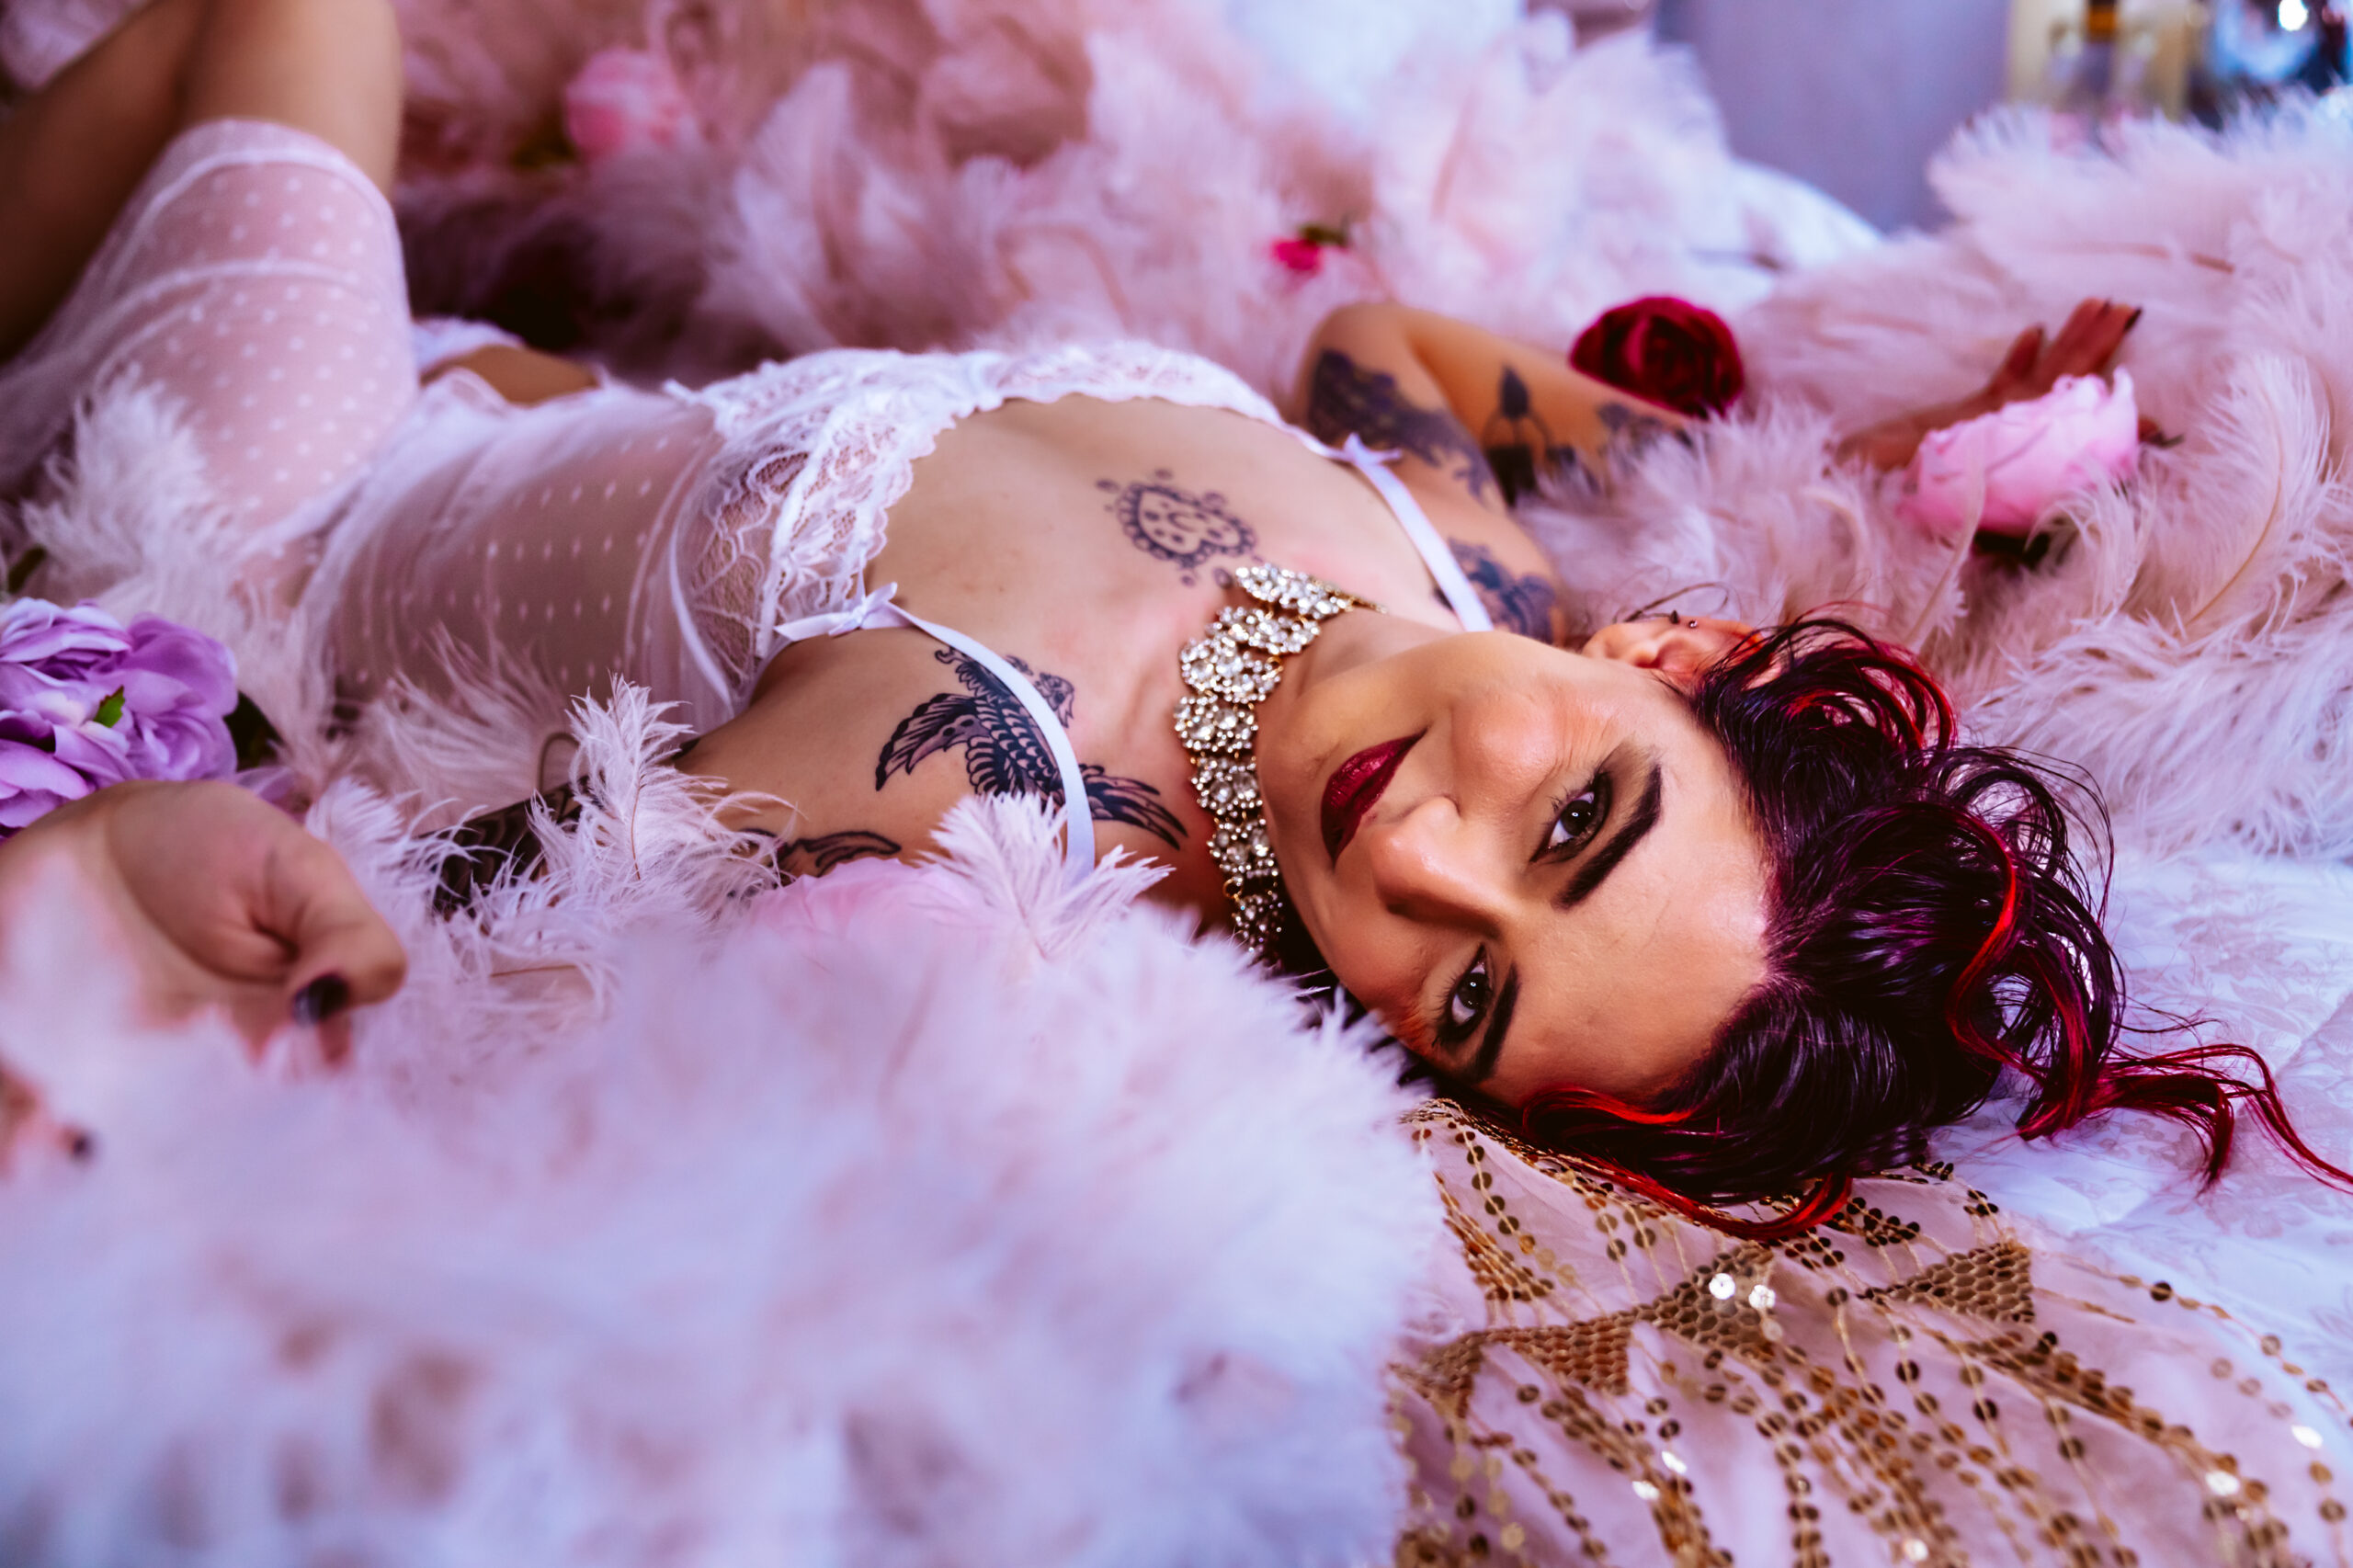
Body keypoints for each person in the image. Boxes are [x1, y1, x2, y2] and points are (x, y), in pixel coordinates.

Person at [0, 0, 2333, 1224]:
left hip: (280, 499)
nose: (1420, 863)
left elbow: (478, 923)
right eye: (1576, 818)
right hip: (496, 373)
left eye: (1467, 996)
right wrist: (1738, 408)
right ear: (1663, 655)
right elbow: (1377, 356)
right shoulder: (1470, 564)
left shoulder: (987, 788)